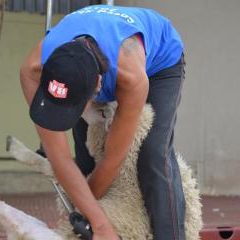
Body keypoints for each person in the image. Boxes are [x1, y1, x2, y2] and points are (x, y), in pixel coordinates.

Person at [20, 4, 186, 240]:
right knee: (85, 155)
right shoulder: (33, 70)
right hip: (94, 55)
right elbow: (60, 158)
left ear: (98, 86)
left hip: (160, 62)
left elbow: (112, 160)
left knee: (152, 153)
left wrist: (98, 223)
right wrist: (92, 217)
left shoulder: (131, 78)